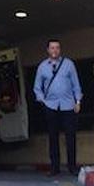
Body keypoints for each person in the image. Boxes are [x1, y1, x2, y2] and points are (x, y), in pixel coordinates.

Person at [33, 39, 83, 176]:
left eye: (57, 48)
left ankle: (72, 166)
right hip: (51, 106)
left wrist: (78, 101)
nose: (55, 50)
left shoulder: (68, 64)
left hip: (68, 105)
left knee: (70, 137)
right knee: (53, 137)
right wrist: (43, 101)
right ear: (48, 50)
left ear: (60, 50)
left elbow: (76, 85)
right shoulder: (42, 67)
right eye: (52, 48)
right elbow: (37, 87)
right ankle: (55, 167)